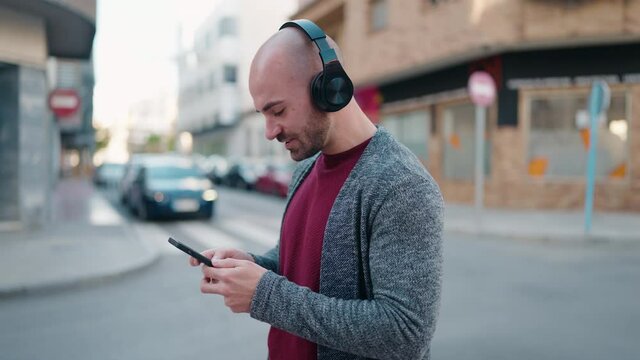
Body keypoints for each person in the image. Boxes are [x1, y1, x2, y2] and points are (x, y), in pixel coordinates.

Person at [189, 19, 444, 360]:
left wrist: (265, 294)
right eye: (262, 114)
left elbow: (405, 333)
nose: (269, 131)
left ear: (330, 89)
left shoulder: (401, 184)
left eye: (277, 110)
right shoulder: (306, 169)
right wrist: (253, 265)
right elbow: (299, 268)